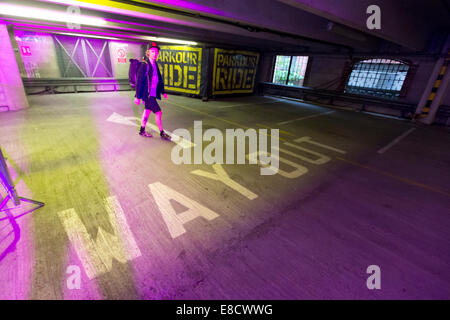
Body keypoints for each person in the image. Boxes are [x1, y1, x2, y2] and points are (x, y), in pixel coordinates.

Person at [134, 43, 171, 140]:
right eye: (153, 51)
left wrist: (163, 92)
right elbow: (139, 81)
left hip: (153, 94)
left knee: (147, 112)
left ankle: (142, 130)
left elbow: (159, 79)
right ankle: (162, 133)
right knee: (159, 112)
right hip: (148, 95)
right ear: (148, 53)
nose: (155, 53)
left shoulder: (155, 64)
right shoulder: (144, 65)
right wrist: (137, 96)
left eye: (156, 51)